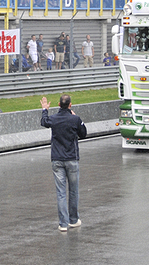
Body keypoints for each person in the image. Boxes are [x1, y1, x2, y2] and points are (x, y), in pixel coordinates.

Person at [40, 94, 87, 232]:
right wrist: (76, 117)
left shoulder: (53, 119)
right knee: (73, 191)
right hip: (72, 158)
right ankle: (73, 220)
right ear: (70, 105)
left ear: (59, 105)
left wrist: (44, 110)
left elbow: (44, 122)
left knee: (61, 193)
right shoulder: (75, 119)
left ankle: (62, 224)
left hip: (57, 159)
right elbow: (83, 133)